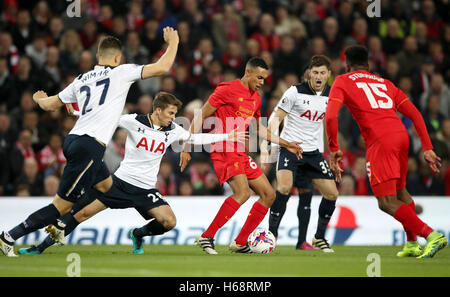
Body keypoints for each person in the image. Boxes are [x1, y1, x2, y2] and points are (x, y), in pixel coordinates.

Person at [0, 27, 179, 257]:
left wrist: (38, 98)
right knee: (60, 206)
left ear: (97, 57)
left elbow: (49, 105)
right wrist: (173, 41)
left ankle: (66, 224)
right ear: (117, 57)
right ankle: (9, 237)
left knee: (107, 187)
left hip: (76, 140)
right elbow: (163, 66)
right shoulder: (122, 72)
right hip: (89, 146)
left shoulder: (82, 79)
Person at [18, 92, 246, 255]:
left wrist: (227, 137)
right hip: (118, 183)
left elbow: (194, 138)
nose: (173, 117)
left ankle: (138, 234)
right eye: (170, 113)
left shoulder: (173, 129)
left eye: (174, 113)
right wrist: (76, 110)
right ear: (158, 110)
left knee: (169, 222)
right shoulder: (133, 120)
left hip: (145, 189)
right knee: (80, 215)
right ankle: (40, 247)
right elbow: (103, 117)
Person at [325, 45, 447, 259]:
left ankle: (431, 235)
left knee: (386, 202)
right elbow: (416, 115)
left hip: (380, 141)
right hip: (401, 136)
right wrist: (427, 147)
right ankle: (411, 244)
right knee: (401, 192)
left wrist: (334, 147)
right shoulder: (385, 83)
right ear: (368, 65)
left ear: (347, 65)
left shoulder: (342, 81)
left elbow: (331, 117)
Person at [179, 57, 302, 254]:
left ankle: (240, 241)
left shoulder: (256, 98)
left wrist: (287, 144)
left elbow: (259, 129)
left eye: (265, 79)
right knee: (243, 193)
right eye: (260, 77)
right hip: (223, 148)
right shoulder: (226, 89)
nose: (262, 82)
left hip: (240, 152)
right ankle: (207, 236)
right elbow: (200, 115)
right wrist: (186, 146)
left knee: (268, 194)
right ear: (248, 72)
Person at [262, 55, 338, 252]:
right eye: (315, 72)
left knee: (331, 194)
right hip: (290, 149)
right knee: (285, 188)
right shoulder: (295, 92)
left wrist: (332, 152)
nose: (318, 76)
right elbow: (275, 117)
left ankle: (313, 239)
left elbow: (329, 124)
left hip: (313, 153)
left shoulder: (332, 95)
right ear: (309, 74)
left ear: (329, 74)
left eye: (322, 72)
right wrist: (268, 143)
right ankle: (271, 236)